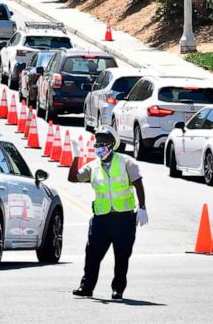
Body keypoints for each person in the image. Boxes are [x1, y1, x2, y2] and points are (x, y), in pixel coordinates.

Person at [68, 128, 148, 300]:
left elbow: (138, 184)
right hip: (101, 219)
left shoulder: (126, 162)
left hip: (123, 218)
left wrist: (142, 207)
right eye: (97, 144)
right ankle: (86, 287)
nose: (99, 148)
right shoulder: (93, 166)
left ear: (112, 145)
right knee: (92, 254)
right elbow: (73, 178)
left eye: (103, 144)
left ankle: (118, 289)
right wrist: (76, 156)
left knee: (122, 256)